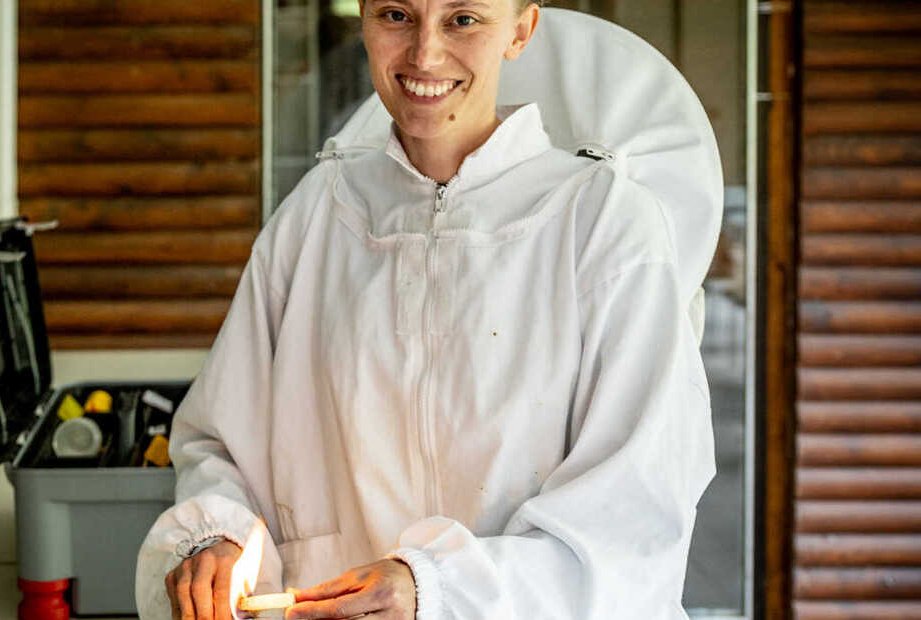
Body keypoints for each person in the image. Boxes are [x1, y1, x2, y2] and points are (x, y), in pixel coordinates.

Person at [136, 0, 717, 618]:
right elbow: (224, 441)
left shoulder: (602, 221)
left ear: (521, 30)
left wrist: (438, 591)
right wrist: (220, 535)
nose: (424, 54)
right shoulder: (318, 214)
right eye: (395, 15)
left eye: (463, 19)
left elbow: (635, 509)